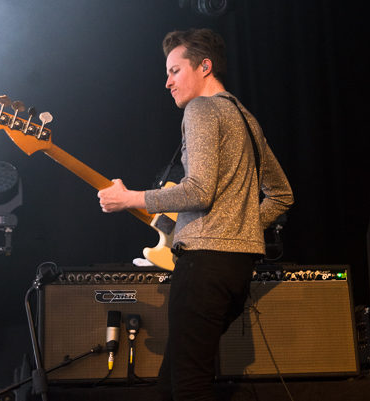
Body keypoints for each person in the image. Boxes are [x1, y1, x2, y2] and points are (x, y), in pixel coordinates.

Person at [98, 28, 293, 401]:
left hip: (204, 266)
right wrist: (240, 229)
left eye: (175, 71)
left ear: (204, 67)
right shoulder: (247, 118)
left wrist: (129, 199)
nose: (167, 82)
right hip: (237, 270)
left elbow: (199, 190)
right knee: (171, 383)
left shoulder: (201, 109)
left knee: (189, 386)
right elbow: (282, 195)